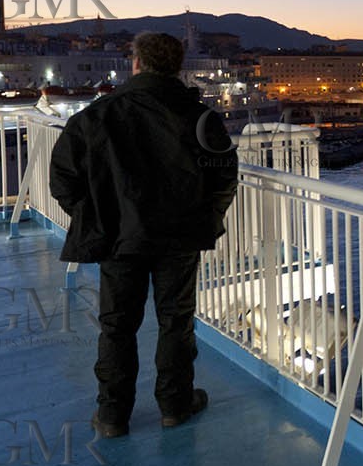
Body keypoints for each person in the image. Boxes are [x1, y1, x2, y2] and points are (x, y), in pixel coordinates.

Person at [50, 33, 238, 438]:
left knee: (116, 326)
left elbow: (63, 181)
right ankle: (175, 404)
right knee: (176, 322)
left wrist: (97, 219)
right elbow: (224, 177)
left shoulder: (95, 116)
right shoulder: (200, 116)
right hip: (180, 237)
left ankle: (113, 416)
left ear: (135, 63)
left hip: (120, 238)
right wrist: (206, 218)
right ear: (176, 66)